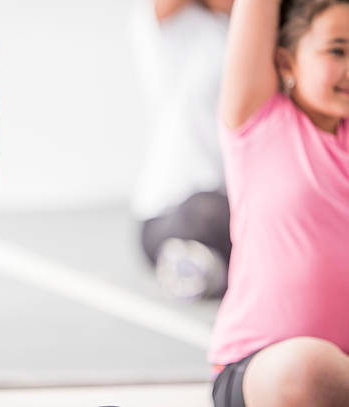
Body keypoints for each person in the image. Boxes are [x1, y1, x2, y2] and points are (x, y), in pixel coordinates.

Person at [209, 1, 349, 406]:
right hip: (261, 370)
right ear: (286, 62)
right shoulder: (258, 121)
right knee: (307, 369)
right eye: (337, 50)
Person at [131, 0, 233, 300]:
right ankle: (200, 261)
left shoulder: (257, 31)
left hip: (236, 204)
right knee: (211, 212)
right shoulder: (172, 27)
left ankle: (209, 264)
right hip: (172, 208)